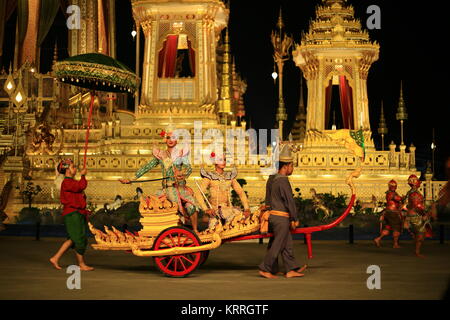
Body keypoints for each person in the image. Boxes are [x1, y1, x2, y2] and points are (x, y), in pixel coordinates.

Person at [120, 127, 201, 233]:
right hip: (167, 189)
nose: (170, 140)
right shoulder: (160, 155)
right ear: (165, 140)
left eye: (173, 138)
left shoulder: (181, 154)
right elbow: (146, 167)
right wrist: (131, 179)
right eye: (168, 138)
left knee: (191, 207)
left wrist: (182, 174)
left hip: (180, 188)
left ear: (176, 140)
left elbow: (189, 168)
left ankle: (195, 230)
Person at [258, 144, 307, 279]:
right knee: (278, 243)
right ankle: (265, 268)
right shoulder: (283, 181)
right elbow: (289, 201)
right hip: (281, 218)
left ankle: (290, 269)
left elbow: (268, 199)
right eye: (292, 166)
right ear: (286, 166)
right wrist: (294, 218)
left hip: (274, 216)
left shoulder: (272, 179)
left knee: (286, 243)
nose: (292, 169)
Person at [50, 159, 94, 271]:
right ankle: (81, 264)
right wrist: (83, 176)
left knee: (72, 239)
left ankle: (55, 258)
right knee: (79, 239)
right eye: (73, 167)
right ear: (68, 171)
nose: (75, 169)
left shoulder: (71, 181)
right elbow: (80, 186)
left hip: (76, 213)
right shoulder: (67, 182)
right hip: (72, 213)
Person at [194, 152, 251, 229]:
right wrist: (206, 209)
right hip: (214, 210)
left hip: (228, 210)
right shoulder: (209, 177)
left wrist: (247, 208)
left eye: (224, 159)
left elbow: (241, 192)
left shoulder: (229, 176)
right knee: (214, 229)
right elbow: (198, 193)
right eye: (220, 160)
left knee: (241, 219)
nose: (223, 162)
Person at [404, 174, 434, 258]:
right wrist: (424, 213)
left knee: (419, 233)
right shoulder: (414, 194)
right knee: (421, 234)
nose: (419, 184)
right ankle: (417, 252)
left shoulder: (411, 192)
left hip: (413, 214)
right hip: (416, 216)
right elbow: (417, 206)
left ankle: (417, 250)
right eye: (418, 182)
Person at [373, 180, 404, 248]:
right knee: (396, 227)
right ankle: (395, 244)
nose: (394, 187)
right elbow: (398, 199)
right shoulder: (391, 193)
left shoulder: (390, 193)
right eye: (393, 186)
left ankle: (378, 239)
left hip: (389, 212)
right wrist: (403, 197)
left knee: (388, 227)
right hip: (392, 213)